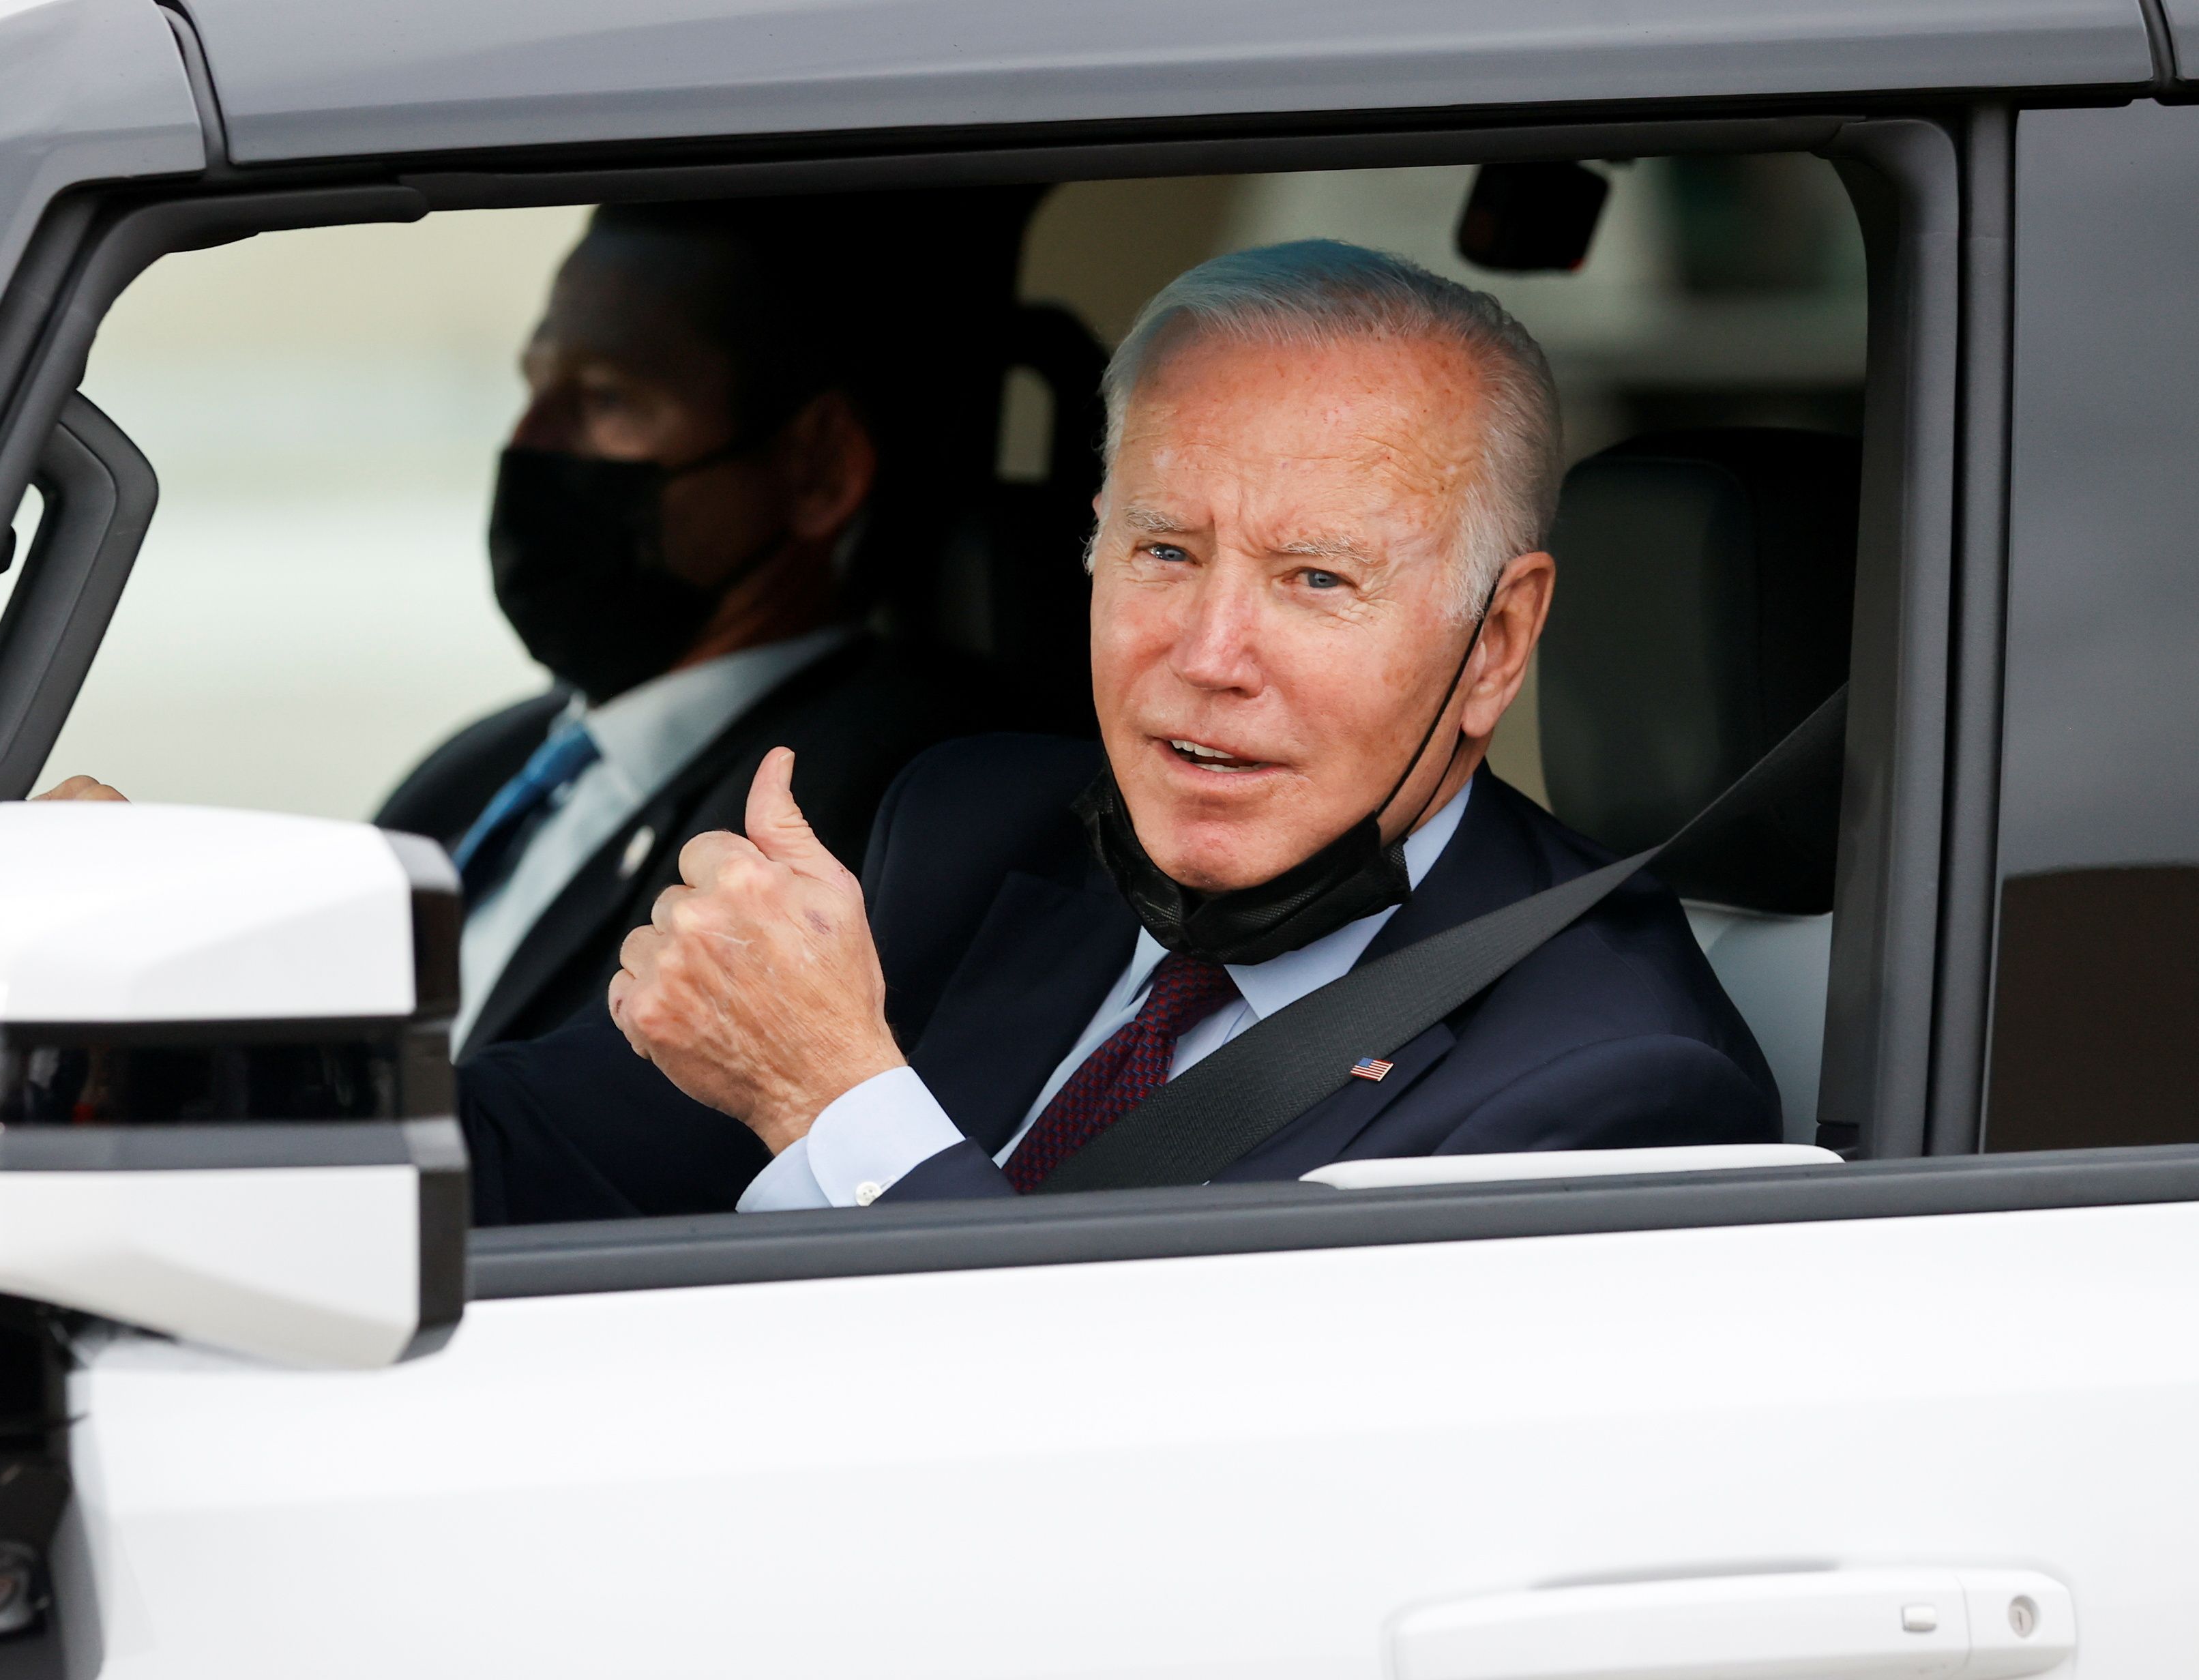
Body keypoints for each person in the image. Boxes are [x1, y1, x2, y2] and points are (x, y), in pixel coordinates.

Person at [456, 239, 1778, 1221]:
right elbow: (531, 1149)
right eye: (1162, 550)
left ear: (1494, 642)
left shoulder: (1617, 1089)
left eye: (1317, 580)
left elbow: (1163, 1512)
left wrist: (839, 1110)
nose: (1208, 658)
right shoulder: (973, 830)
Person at [373, 198, 985, 1058]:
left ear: (816, 470)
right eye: (536, 387)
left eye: (608, 398)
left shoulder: (869, 821)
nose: (528, 443)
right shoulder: (483, 768)